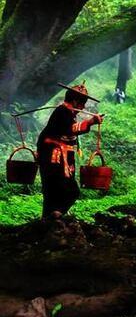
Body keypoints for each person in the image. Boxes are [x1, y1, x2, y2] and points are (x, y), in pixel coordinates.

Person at [37, 82, 103, 221]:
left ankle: (52, 218)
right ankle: (53, 217)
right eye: (82, 104)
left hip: (63, 157)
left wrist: (90, 122)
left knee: (64, 190)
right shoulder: (62, 111)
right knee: (61, 189)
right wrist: (90, 122)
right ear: (74, 101)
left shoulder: (69, 113)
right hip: (53, 157)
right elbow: (70, 129)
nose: (83, 108)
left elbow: (71, 131)